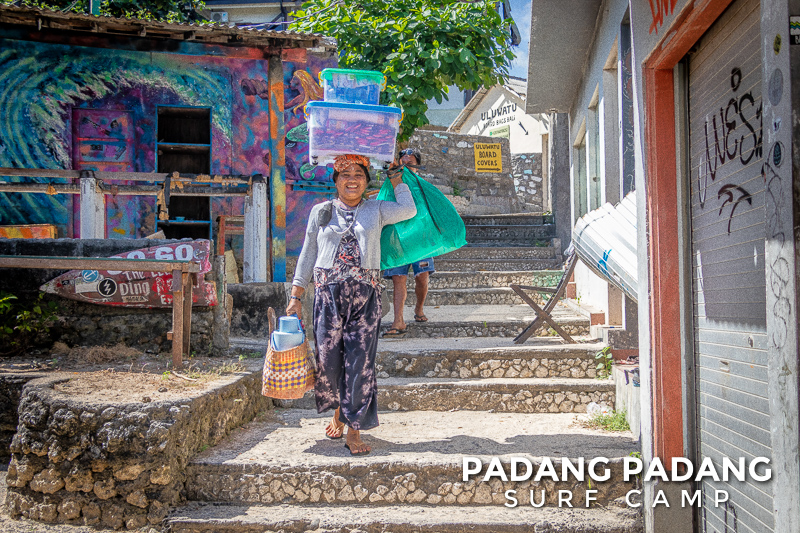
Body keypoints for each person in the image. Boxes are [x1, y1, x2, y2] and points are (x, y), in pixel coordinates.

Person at [286, 154, 416, 456]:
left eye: (359, 174)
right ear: (335, 181)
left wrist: (396, 177)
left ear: (366, 182)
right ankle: (338, 412)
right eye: (345, 174)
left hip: (365, 297)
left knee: (360, 362)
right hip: (328, 296)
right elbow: (308, 252)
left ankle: (354, 429)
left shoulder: (376, 209)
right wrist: (296, 295)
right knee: (329, 361)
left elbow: (408, 209)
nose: (352, 180)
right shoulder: (321, 211)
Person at [382, 148, 435, 336]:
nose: (405, 167)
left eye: (410, 164)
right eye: (402, 163)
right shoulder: (391, 186)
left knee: (422, 277)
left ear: (417, 167)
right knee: (398, 279)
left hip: (420, 241)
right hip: (398, 240)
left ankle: (419, 308)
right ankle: (398, 321)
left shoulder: (424, 187)